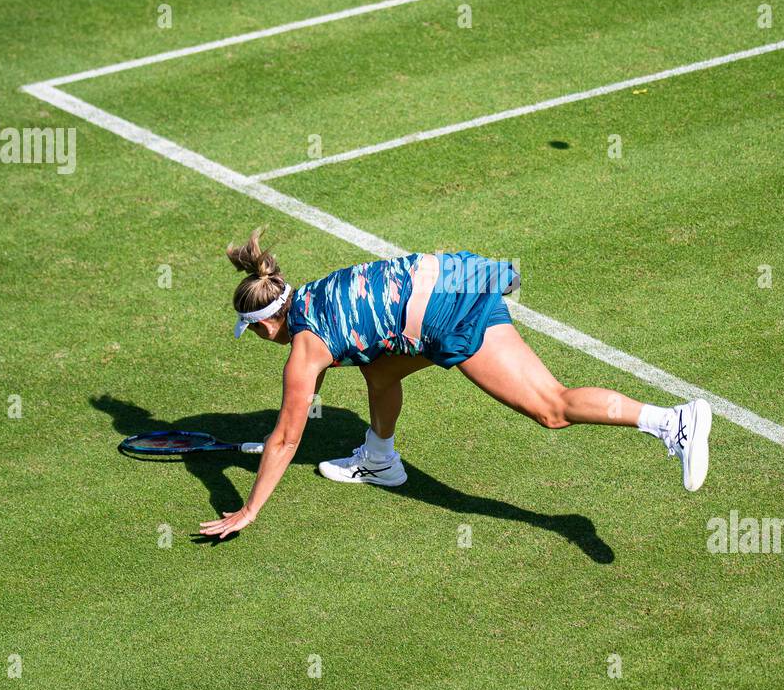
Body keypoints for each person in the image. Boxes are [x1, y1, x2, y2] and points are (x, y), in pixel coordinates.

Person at [199, 229, 712, 539]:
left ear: (266, 324)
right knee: (377, 369)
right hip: (459, 272)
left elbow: (288, 437)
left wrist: (249, 509)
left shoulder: (304, 351)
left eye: (255, 332)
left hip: (450, 310)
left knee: (551, 407)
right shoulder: (315, 293)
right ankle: (380, 460)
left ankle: (670, 422)